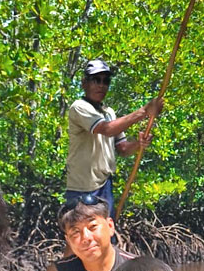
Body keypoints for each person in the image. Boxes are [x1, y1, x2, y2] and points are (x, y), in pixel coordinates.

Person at [65, 59, 162, 217]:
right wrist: (144, 111)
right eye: (96, 80)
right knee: (82, 237)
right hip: (81, 188)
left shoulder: (109, 112)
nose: (101, 85)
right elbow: (106, 129)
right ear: (84, 83)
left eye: (106, 81)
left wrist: (139, 143)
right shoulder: (79, 107)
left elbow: (123, 149)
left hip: (104, 186)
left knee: (106, 236)